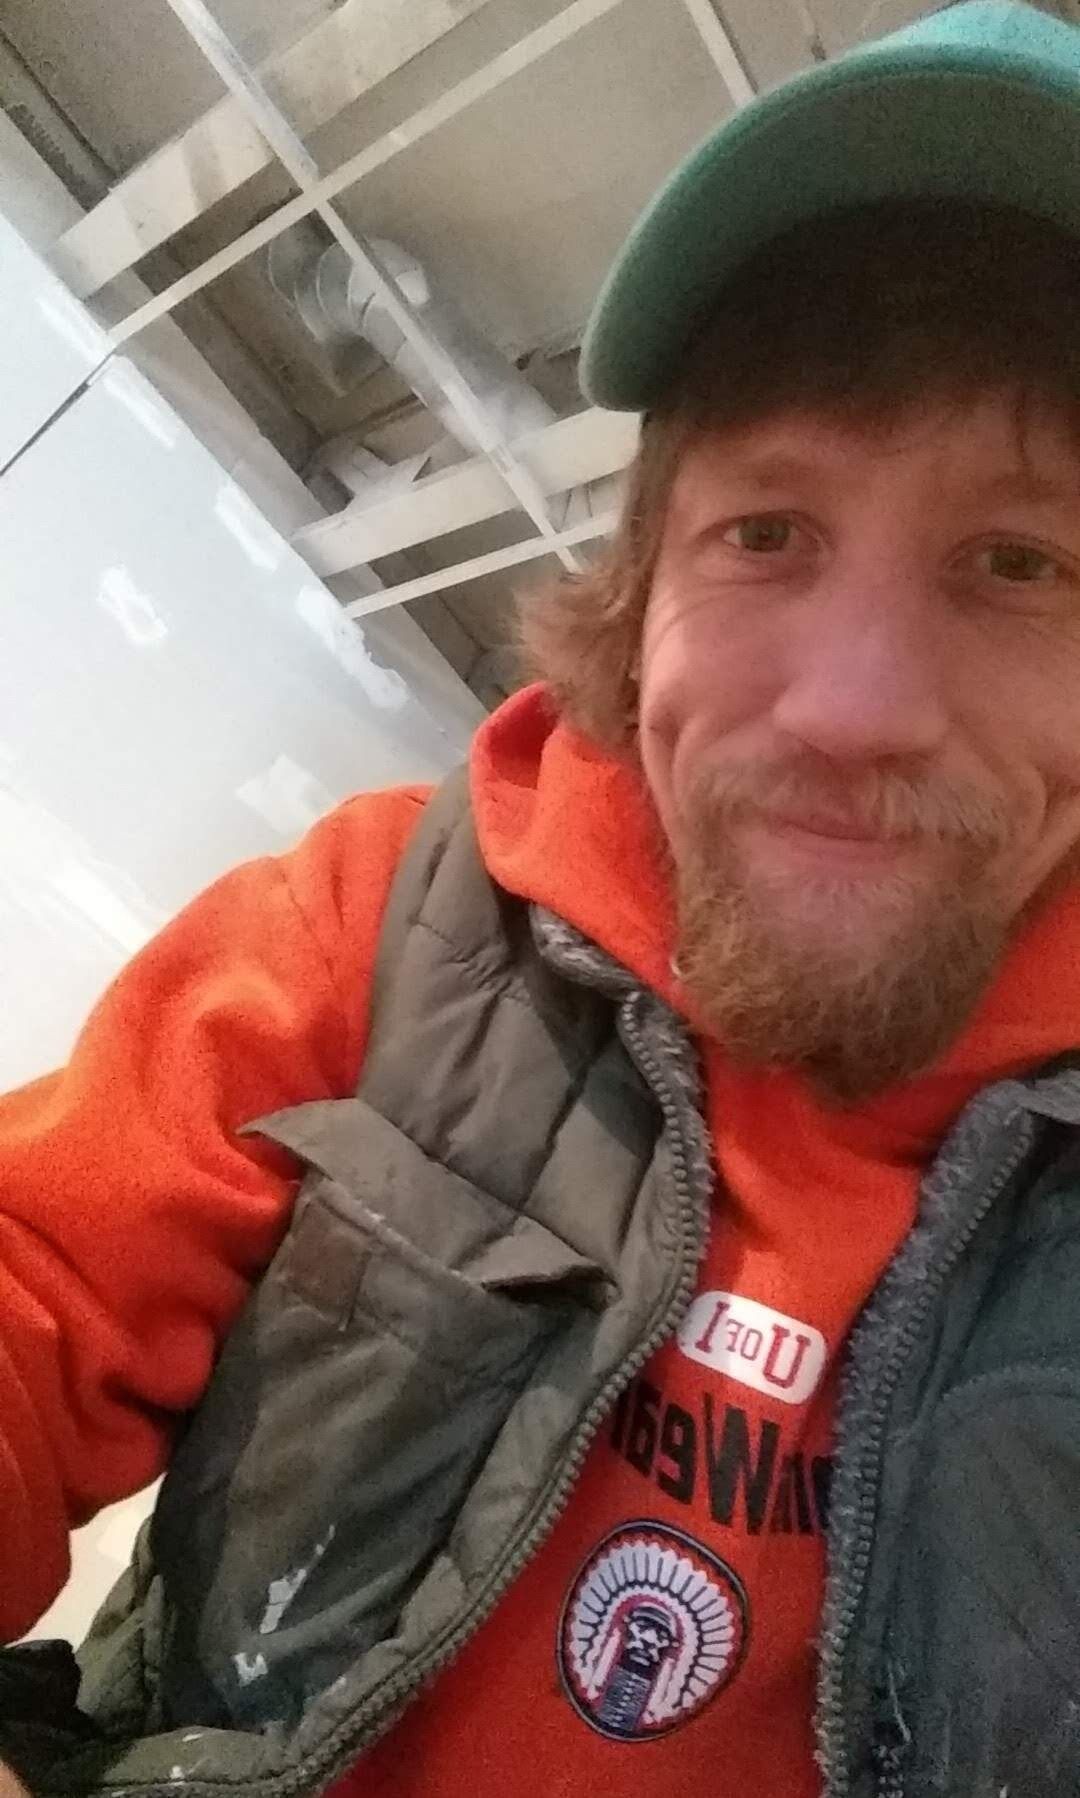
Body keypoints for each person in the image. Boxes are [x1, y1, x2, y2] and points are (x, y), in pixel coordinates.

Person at [5, 2, 1080, 1794]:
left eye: (1021, 561)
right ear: (644, 587)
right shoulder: (384, 921)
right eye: (767, 533)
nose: (853, 704)